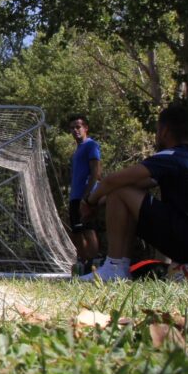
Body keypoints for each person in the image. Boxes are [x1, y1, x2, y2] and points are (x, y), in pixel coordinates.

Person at [79, 103, 188, 281]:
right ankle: (118, 268)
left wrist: (90, 203)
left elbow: (112, 180)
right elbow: (140, 183)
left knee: (119, 189)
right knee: (120, 191)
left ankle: (114, 267)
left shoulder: (171, 156)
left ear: (165, 131)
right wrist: (101, 201)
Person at [66, 114, 103, 269]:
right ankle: (83, 262)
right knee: (76, 231)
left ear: (85, 128)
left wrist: (87, 196)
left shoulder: (91, 145)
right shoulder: (77, 150)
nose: (75, 130)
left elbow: (96, 171)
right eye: (72, 128)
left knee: (88, 228)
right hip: (75, 197)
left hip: (86, 196)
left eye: (78, 127)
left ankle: (94, 262)